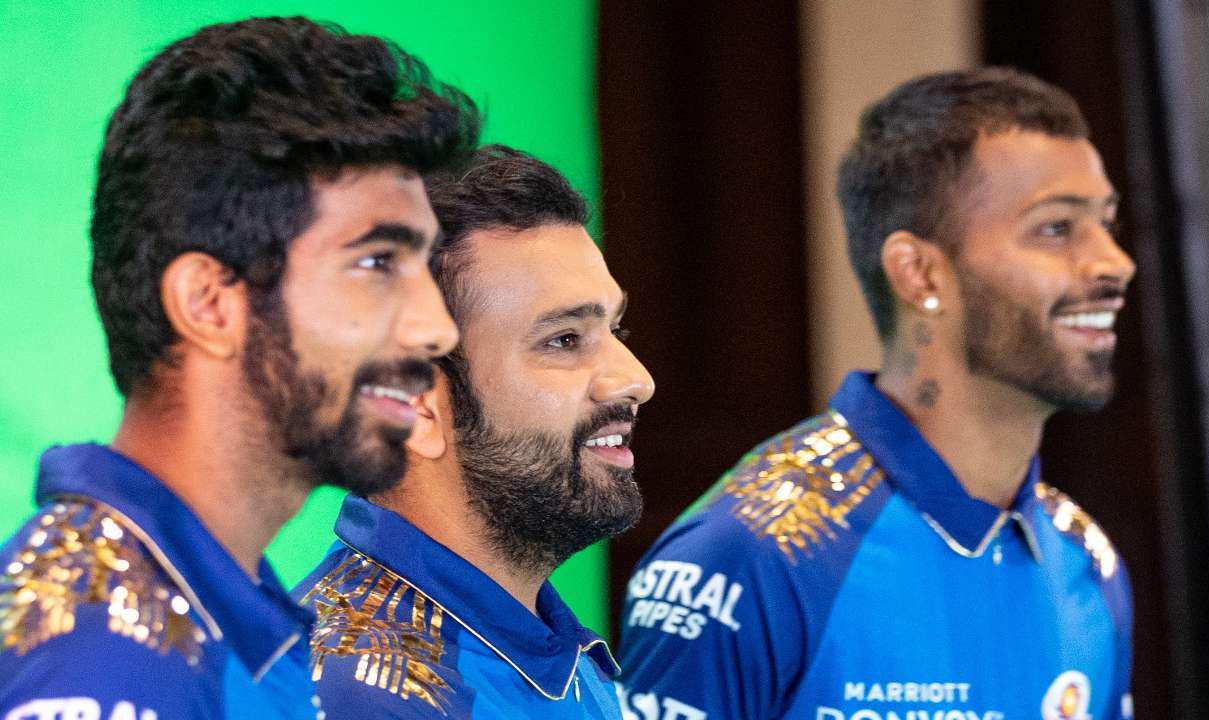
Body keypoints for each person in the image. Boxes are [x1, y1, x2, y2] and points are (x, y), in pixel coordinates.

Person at [616, 67, 1137, 720]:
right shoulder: (749, 554)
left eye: (1106, 224)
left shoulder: (1086, 562)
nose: (1115, 263)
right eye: (1056, 228)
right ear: (919, 274)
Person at [0, 16, 478, 719]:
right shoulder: (106, 663)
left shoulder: (199, 612)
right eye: (378, 262)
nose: (437, 328)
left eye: (425, 265)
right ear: (209, 304)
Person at [294, 146, 655, 719]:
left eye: (616, 330)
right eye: (564, 340)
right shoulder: (362, 697)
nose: (637, 380)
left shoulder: (549, 656)